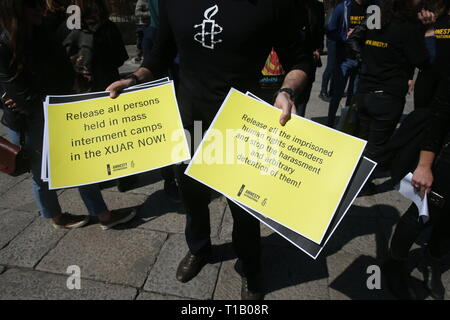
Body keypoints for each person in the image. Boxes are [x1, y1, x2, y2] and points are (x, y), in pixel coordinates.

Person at [106, 0, 313, 300]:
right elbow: (160, 53)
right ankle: (199, 249)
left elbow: (300, 59)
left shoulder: (270, 5)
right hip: (190, 120)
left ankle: (251, 267)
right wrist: (135, 78)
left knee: (244, 206)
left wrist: (287, 91)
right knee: (191, 196)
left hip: (241, 123)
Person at [0, 0, 136, 230]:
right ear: (16, 10)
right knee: (41, 172)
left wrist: (66, 87)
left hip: (58, 109)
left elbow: (62, 69)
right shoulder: (4, 44)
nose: (40, 8)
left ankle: (102, 214)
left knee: (80, 164)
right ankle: (56, 216)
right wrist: (11, 96)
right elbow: (22, 96)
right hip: (28, 120)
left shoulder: (43, 30)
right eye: (32, 5)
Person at [383, 3, 450, 301]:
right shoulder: (441, 27)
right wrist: (425, 163)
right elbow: (439, 105)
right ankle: (393, 265)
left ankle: (433, 260)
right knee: (425, 210)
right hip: (443, 140)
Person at [347, 0, 435, 164]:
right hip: (387, 95)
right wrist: (429, 31)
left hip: (365, 89)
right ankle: (362, 186)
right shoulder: (407, 27)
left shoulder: (376, 21)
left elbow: (354, 38)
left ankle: (351, 181)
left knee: (362, 141)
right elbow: (425, 62)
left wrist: (366, 61)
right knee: (375, 148)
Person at [326, 0, 370, 127]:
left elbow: (377, 31)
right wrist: (345, 36)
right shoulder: (343, 7)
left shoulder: (373, 8)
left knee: (354, 96)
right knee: (337, 94)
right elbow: (330, 30)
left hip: (361, 59)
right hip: (344, 59)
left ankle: (346, 124)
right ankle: (330, 124)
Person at [295, 0, 325, 117]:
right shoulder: (287, 4)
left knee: (303, 98)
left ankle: (298, 125)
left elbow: (320, 30)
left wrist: (318, 49)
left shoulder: (317, 6)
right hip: (288, 58)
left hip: (309, 58)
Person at [319, 0, 342, 102]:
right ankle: (323, 91)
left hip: (338, 40)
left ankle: (332, 90)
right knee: (331, 66)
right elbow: (328, 26)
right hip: (333, 41)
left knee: (336, 66)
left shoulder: (338, 7)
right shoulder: (336, 8)